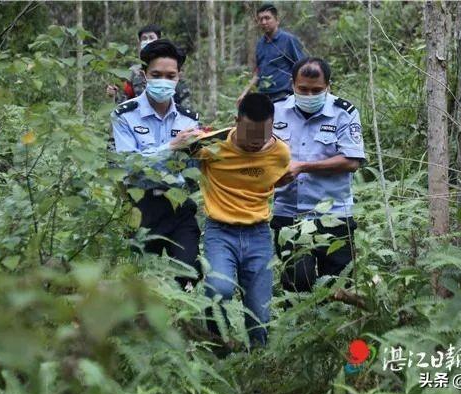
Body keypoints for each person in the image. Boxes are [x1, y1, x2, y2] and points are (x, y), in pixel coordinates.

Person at [179, 93, 290, 347]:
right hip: (220, 232)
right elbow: (175, 158)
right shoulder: (210, 145)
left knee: (260, 311)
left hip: (259, 233)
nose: (255, 144)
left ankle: (259, 363)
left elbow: (281, 176)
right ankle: (218, 345)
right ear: (236, 121)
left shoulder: (280, 152)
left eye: (262, 137)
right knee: (219, 289)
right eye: (249, 136)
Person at [110, 39, 202, 289]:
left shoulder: (189, 119)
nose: (164, 81)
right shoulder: (124, 115)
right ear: (144, 75)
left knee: (188, 276)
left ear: (179, 76)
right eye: (156, 74)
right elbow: (128, 164)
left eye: (170, 75)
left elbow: (196, 167)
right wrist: (171, 147)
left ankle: (188, 327)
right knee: (138, 284)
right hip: (141, 207)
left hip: (179, 206)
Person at [270, 57, 365, 294]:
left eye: (317, 90)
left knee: (338, 286)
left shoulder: (344, 113)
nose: (310, 95)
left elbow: (352, 161)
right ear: (292, 84)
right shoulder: (275, 111)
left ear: (328, 86)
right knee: (296, 282)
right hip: (288, 213)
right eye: (303, 89)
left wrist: (303, 166)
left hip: (334, 213)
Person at [106, 24, 192, 108]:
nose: (147, 41)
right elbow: (124, 101)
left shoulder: (172, 67)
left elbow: (184, 99)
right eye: (144, 38)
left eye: (151, 37)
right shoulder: (132, 72)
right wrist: (113, 96)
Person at [237, 4, 305, 105]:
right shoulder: (260, 44)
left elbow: (302, 67)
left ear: (277, 20)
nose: (264, 22)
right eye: (260, 19)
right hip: (263, 97)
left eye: (267, 18)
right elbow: (258, 74)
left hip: (284, 96)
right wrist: (244, 93)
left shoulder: (288, 40)